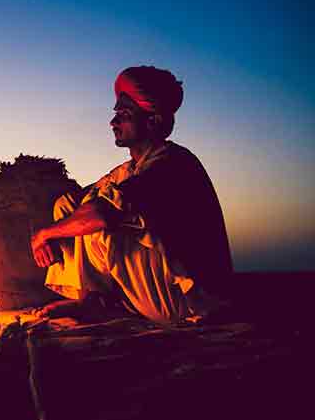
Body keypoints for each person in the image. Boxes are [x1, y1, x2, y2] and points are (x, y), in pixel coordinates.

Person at [31, 66, 232, 324]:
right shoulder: (129, 169)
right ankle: (91, 300)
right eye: (115, 115)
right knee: (69, 205)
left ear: (154, 121)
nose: (113, 123)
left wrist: (44, 234)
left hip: (185, 303)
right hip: (153, 292)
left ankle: (94, 304)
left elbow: (101, 213)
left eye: (124, 115)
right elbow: (76, 202)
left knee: (99, 216)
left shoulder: (172, 163)